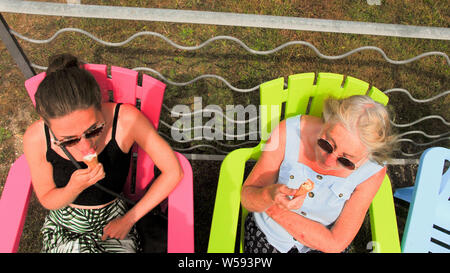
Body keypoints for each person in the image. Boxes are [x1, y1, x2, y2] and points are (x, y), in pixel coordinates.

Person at [23, 53, 183, 253]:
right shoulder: (36, 138)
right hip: (64, 226)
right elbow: (48, 198)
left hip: (114, 221)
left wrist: (129, 219)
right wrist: (73, 188)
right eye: (69, 140)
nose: (86, 146)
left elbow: (173, 171)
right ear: (47, 125)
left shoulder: (126, 121)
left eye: (94, 130)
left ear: (99, 104)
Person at [240, 95, 397, 253]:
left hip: (320, 246)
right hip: (269, 236)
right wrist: (269, 195)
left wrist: (274, 209)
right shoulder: (288, 133)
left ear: (366, 158)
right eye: (326, 144)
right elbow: (248, 198)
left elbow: (336, 243)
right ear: (327, 119)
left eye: (346, 161)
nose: (328, 161)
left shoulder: (372, 171)